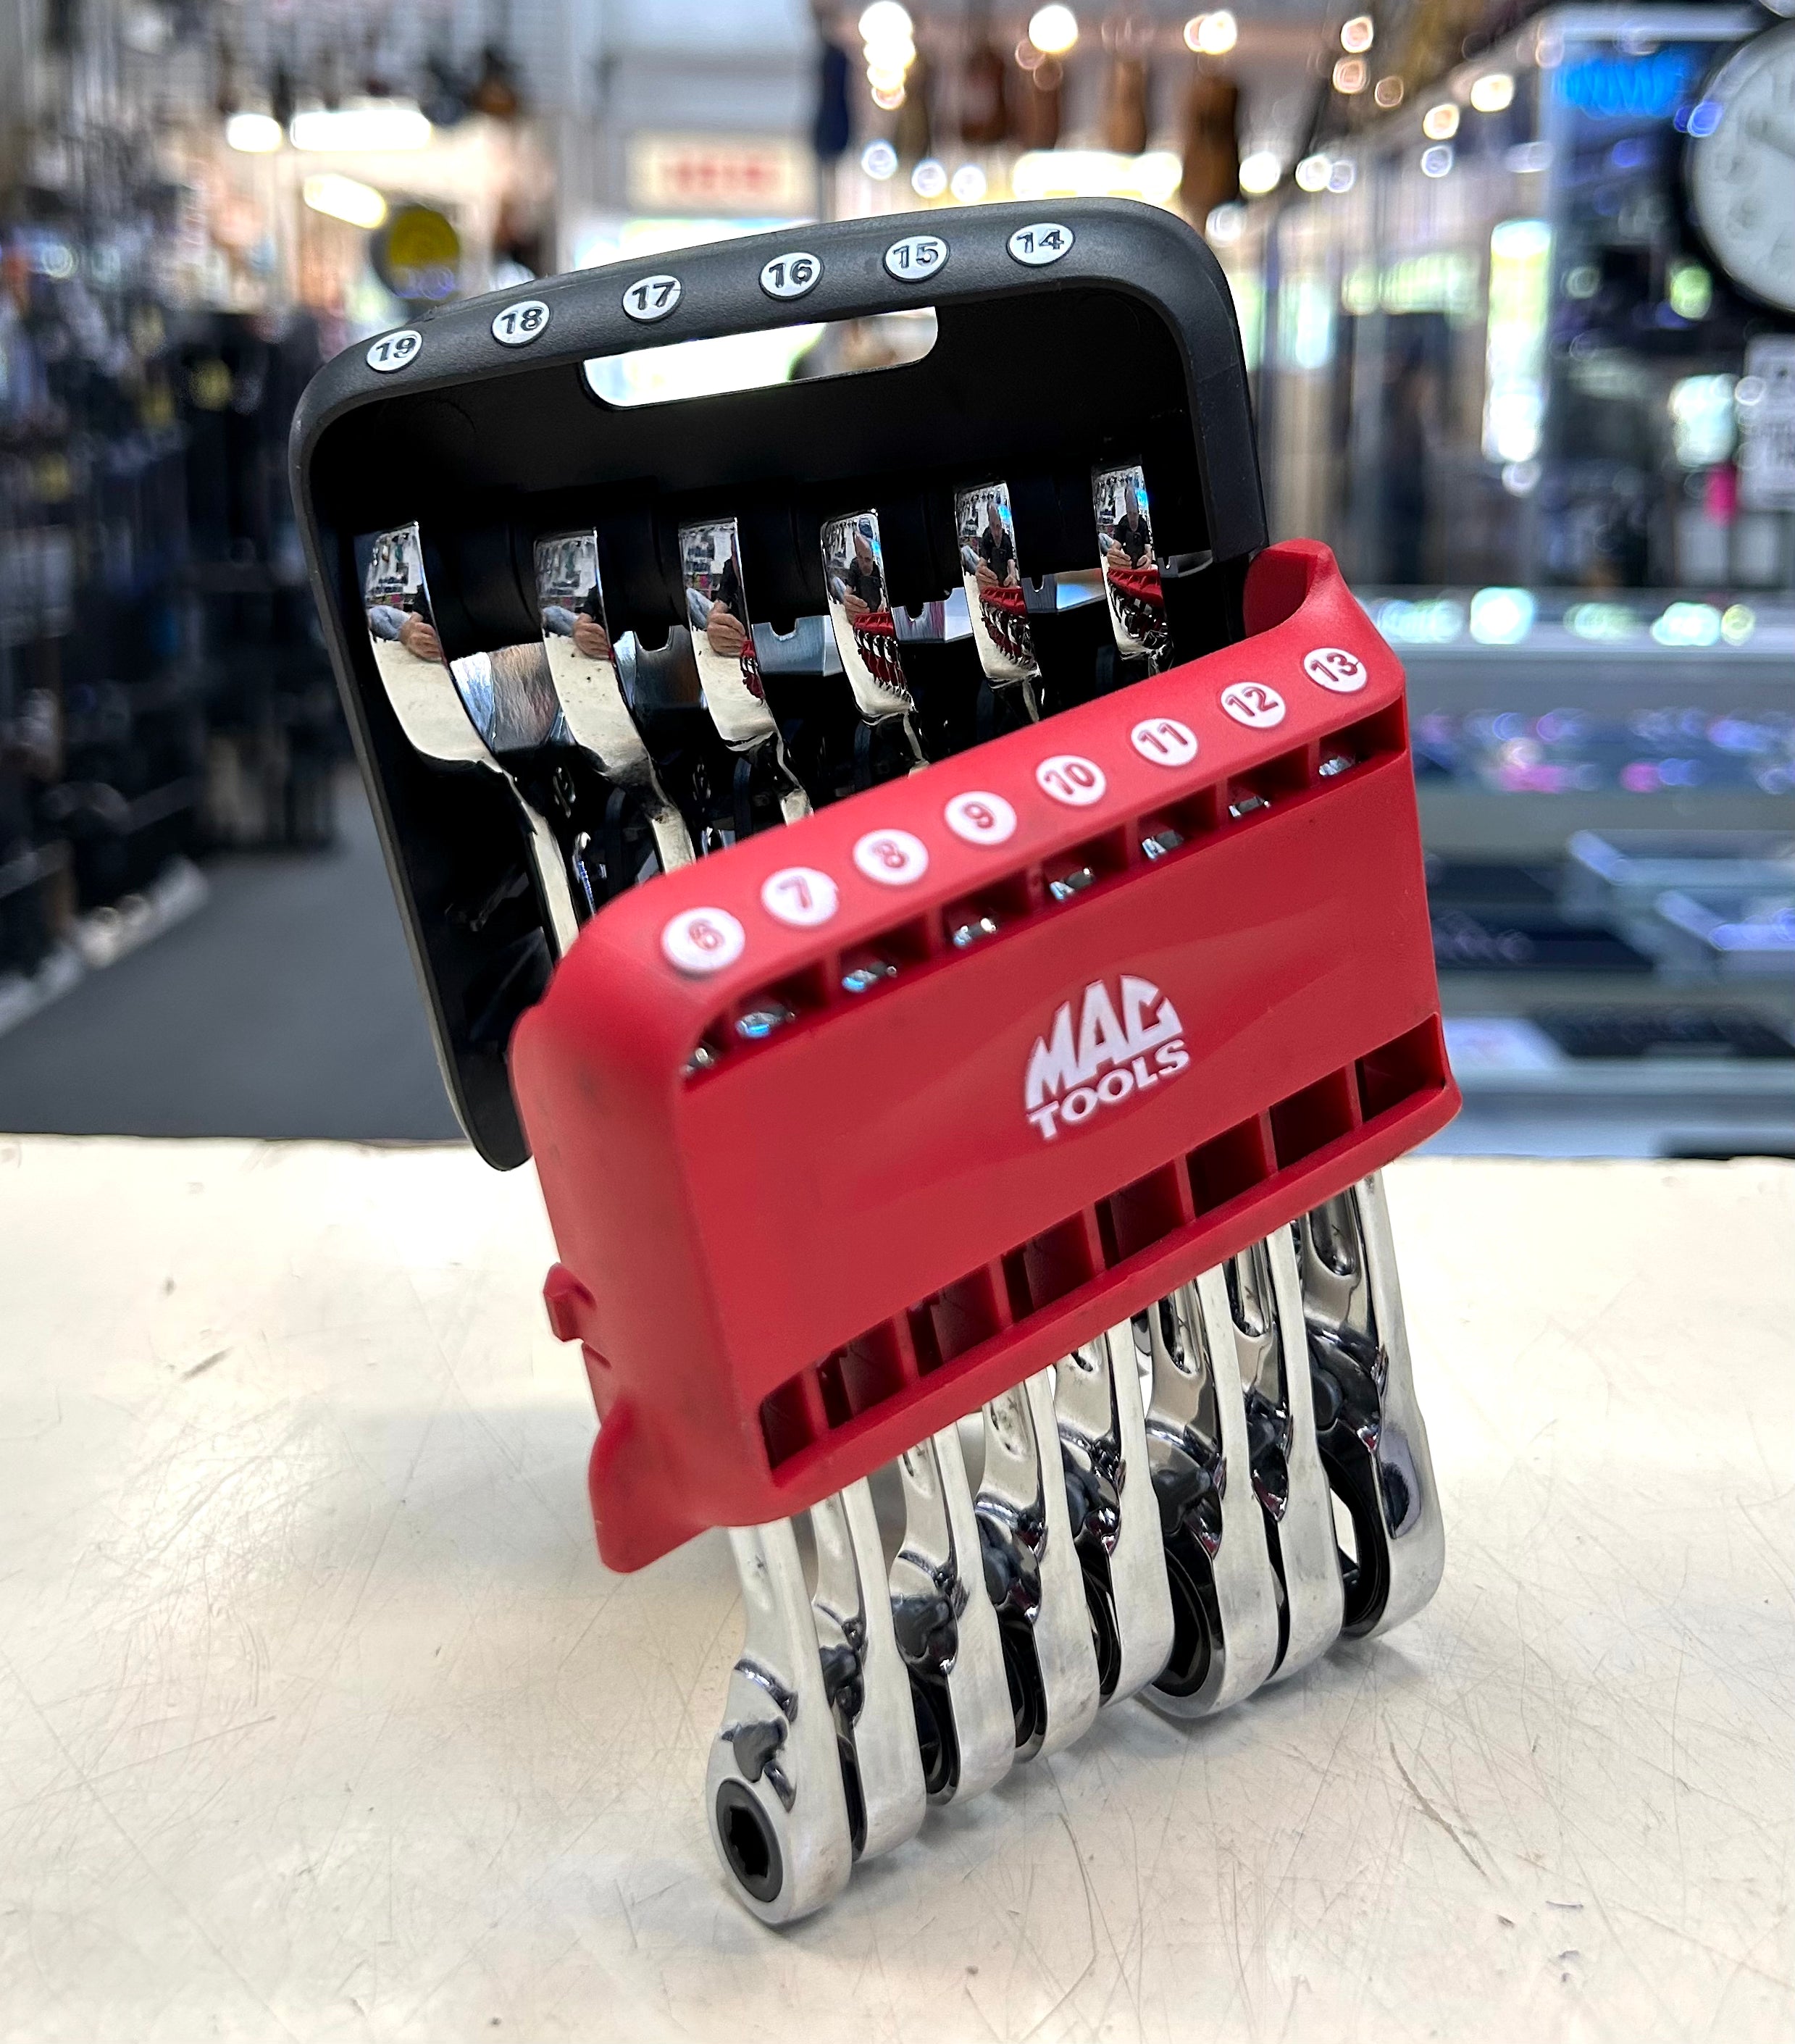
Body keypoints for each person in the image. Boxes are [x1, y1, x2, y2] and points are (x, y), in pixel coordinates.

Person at [838, 527, 885, 619]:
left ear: (873, 557)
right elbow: (848, 593)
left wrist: (885, 603)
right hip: (861, 606)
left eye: (868, 559)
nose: (864, 564)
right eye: (860, 556)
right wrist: (849, 605)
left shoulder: (879, 567)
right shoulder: (855, 565)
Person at [974, 496, 1019, 591]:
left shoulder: (1006, 538)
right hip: (992, 578)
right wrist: (980, 571)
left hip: (1005, 577)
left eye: (998, 527)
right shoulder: (986, 536)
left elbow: (1010, 560)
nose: (996, 533)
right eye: (992, 526)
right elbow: (983, 559)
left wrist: (1012, 575)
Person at [1106, 482, 1154, 570]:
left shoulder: (1143, 523)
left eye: (1135, 513)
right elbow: (1116, 546)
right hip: (1128, 564)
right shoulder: (1123, 523)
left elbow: (1148, 549)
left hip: (1142, 564)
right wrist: (1113, 555)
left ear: (1138, 510)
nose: (1132, 518)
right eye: (1130, 513)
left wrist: (1148, 558)